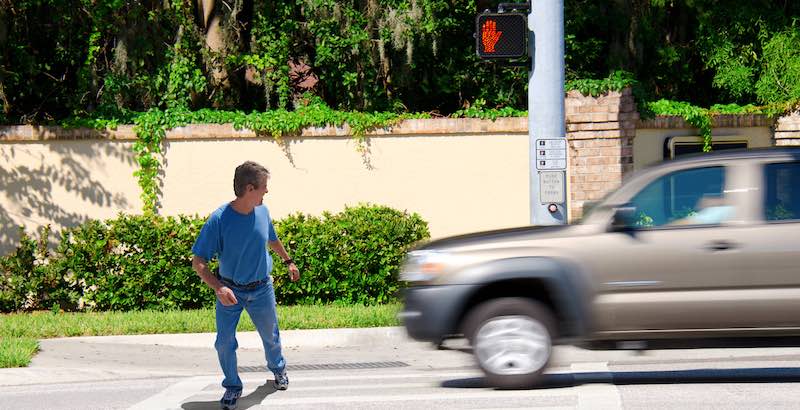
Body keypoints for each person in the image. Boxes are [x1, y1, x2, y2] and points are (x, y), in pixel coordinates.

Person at [191, 161, 300, 410]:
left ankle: (278, 369)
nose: (267, 191)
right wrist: (218, 287)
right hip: (230, 291)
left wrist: (288, 261)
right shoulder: (219, 219)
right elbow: (198, 262)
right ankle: (232, 385)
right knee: (224, 342)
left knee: (271, 336)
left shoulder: (262, 211)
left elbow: (272, 239)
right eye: (264, 187)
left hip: (262, 288)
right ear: (250, 188)